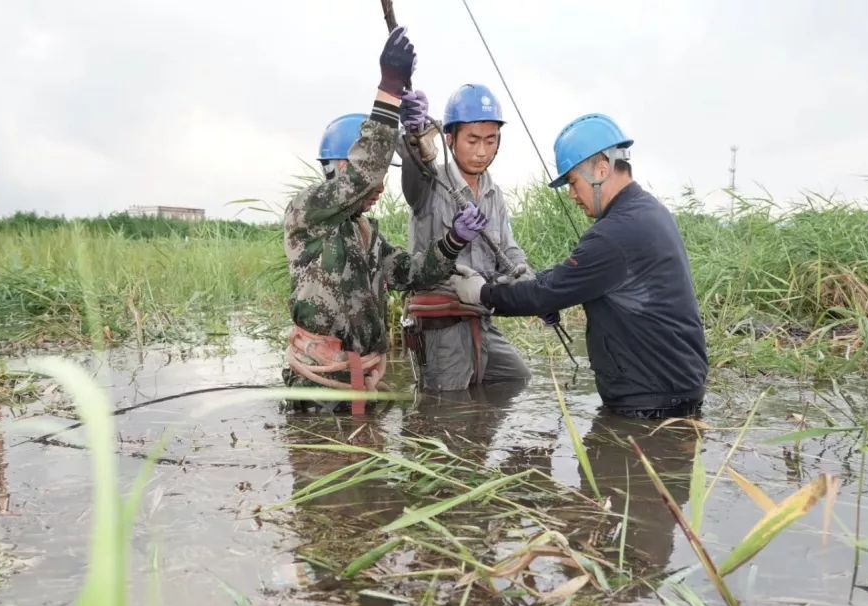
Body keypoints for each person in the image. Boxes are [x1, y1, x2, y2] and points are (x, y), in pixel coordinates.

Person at [282, 27, 489, 413]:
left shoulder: (367, 233)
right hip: (319, 388)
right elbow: (366, 175)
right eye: (376, 174)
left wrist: (453, 242)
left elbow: (412, 274)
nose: (381, 187)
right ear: (341, 167)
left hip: (364, 378)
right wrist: (389, 90)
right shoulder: (308, 213)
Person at [447, 114, 708, 419]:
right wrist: (540, 287)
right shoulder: (649, 212)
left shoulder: (617, 232)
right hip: (673, 389)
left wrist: (483, 294)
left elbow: (548, 292)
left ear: (600, 169)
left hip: (651, 402)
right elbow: (568, 280)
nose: (572, 195)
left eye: (572, 182)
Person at [396, 84, 533, 392]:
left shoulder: (492, 193)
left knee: (517, 379)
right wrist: (414, 132)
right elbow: (414, 167)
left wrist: (534, 291)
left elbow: (509, 252)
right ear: (450, 138)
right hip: (441, 328)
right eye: (472, 140)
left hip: (481, 320)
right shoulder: (431, 182)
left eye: (490, 140)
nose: (482, 151)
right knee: (448, 412)